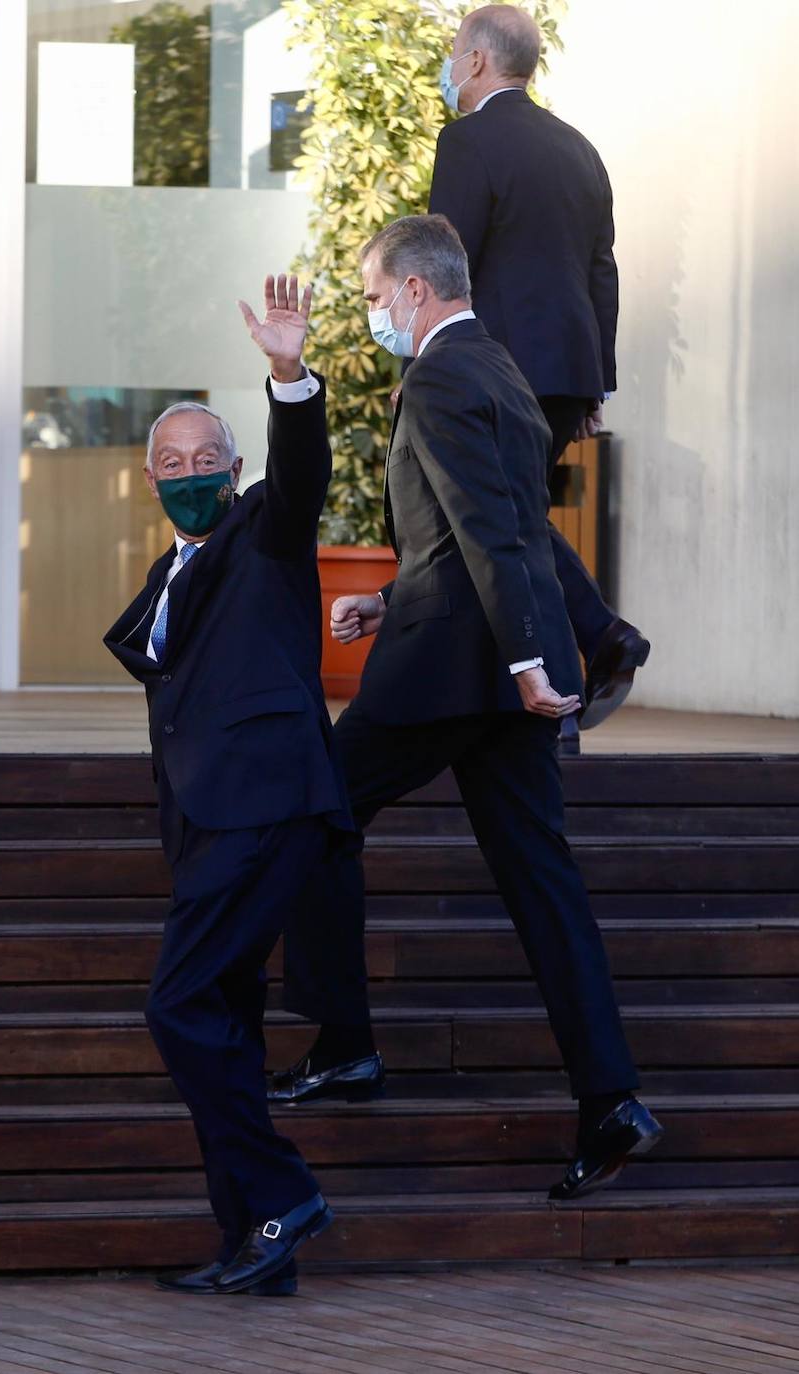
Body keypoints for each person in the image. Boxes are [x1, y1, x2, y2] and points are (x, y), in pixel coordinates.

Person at [272, 215, 663, 1202]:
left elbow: (494, 532)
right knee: (544, 883)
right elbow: (500, 535)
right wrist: (400, 597)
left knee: (316, 812)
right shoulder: (501, 371)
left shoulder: (443, 377)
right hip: (491, 670)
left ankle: (347, 1044)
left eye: (371, 297)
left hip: (450, 673)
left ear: (411, 290)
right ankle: (610, 1099)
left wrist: (534, 660)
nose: (370, 315)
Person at [104, 273, 349, 1296]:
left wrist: (289, 374)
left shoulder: (263, 531)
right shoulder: (163, 582)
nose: (192, 472)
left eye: (210, 459)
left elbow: (301, 480)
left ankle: (283, 1192)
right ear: (150, 479)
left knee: (179, 1003)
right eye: (175, 464)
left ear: (236, 466)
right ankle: (254, 1239)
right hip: (207, 824)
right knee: (226, 1019)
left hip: (266, 806)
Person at [429, 3, 650, 752]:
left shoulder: (466, 141)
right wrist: (596, 386)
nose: (449, 65)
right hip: (563, 373)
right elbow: (600, 271)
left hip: (487, 372)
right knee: (515, 520)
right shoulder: (579, 148)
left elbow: (441, 264)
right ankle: (593, 645)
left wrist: (424, 365)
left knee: (508, 529)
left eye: (454, 52)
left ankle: (563, 694)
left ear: (479, 61)